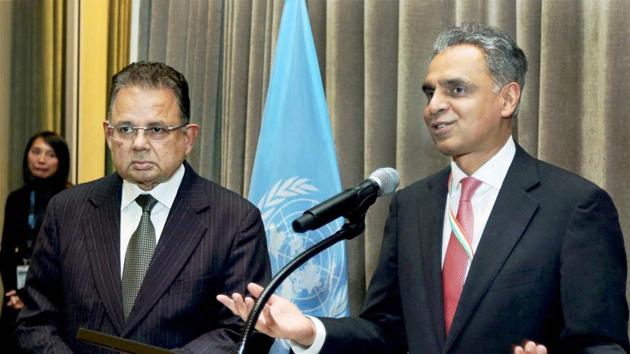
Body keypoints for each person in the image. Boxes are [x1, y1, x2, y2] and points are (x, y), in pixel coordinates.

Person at [218, 23, 629, 353]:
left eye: (456, 89)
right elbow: (387, 332)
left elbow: (601, 343)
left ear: (508, 99)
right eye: (430, 92)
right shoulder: (412, 206)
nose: (434, 106)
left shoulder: (574, 206)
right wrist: (308, 330)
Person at [14, 62, 273, 353]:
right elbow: (36, 320)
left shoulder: (235, 220)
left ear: (188, 138)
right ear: (109, 134)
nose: (138, 143)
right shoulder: (66, 210)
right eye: (125, 128)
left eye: (157, 129)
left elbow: (245, 329)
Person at [0, 131, 70, 350]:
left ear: (61, 161)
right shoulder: (16, 199)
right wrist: (12, 292)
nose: (41, 160)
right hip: (15, 300)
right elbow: (7, 250)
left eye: (50, 154)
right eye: (36, 152)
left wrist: (34, 299)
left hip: (53, 304)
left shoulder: (69, 200)